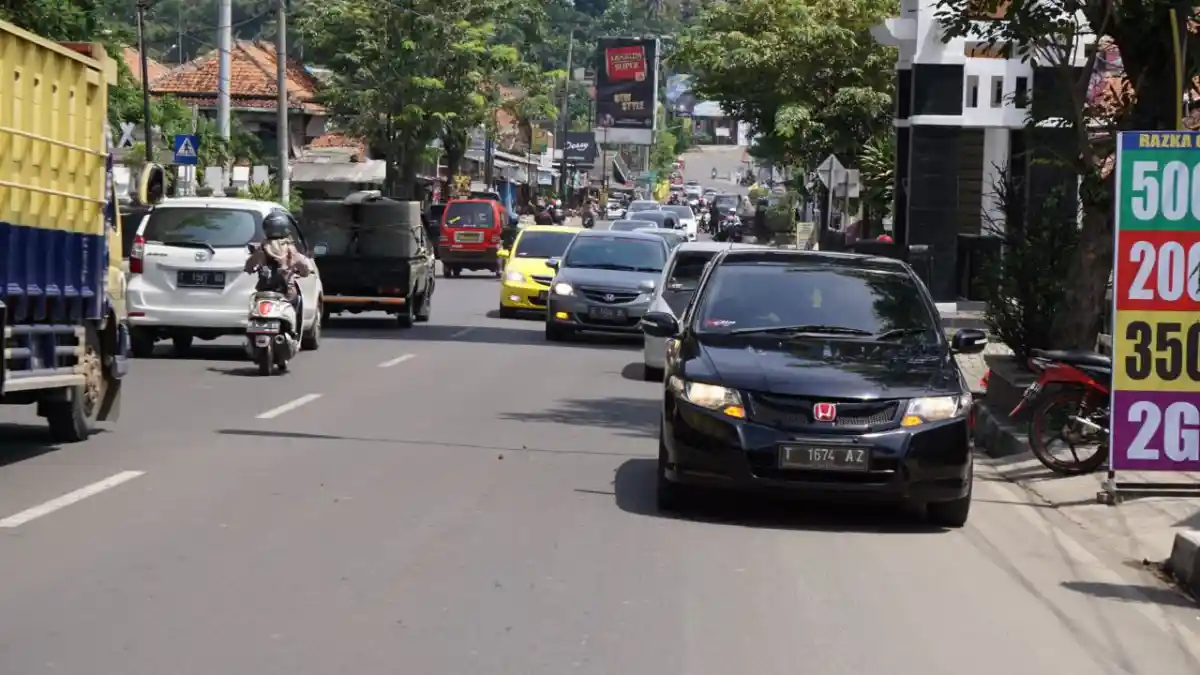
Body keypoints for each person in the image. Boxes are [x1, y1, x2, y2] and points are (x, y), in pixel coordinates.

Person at [243, 213, 313, 338]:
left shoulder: (262, 248)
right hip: (286, 291)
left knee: (254, 305)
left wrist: (249, 269)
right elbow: (304, 267)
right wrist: (304, 272)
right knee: (297, 301)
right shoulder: (290, 248)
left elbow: (249, 265)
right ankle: (294, 332)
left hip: (264, 291)